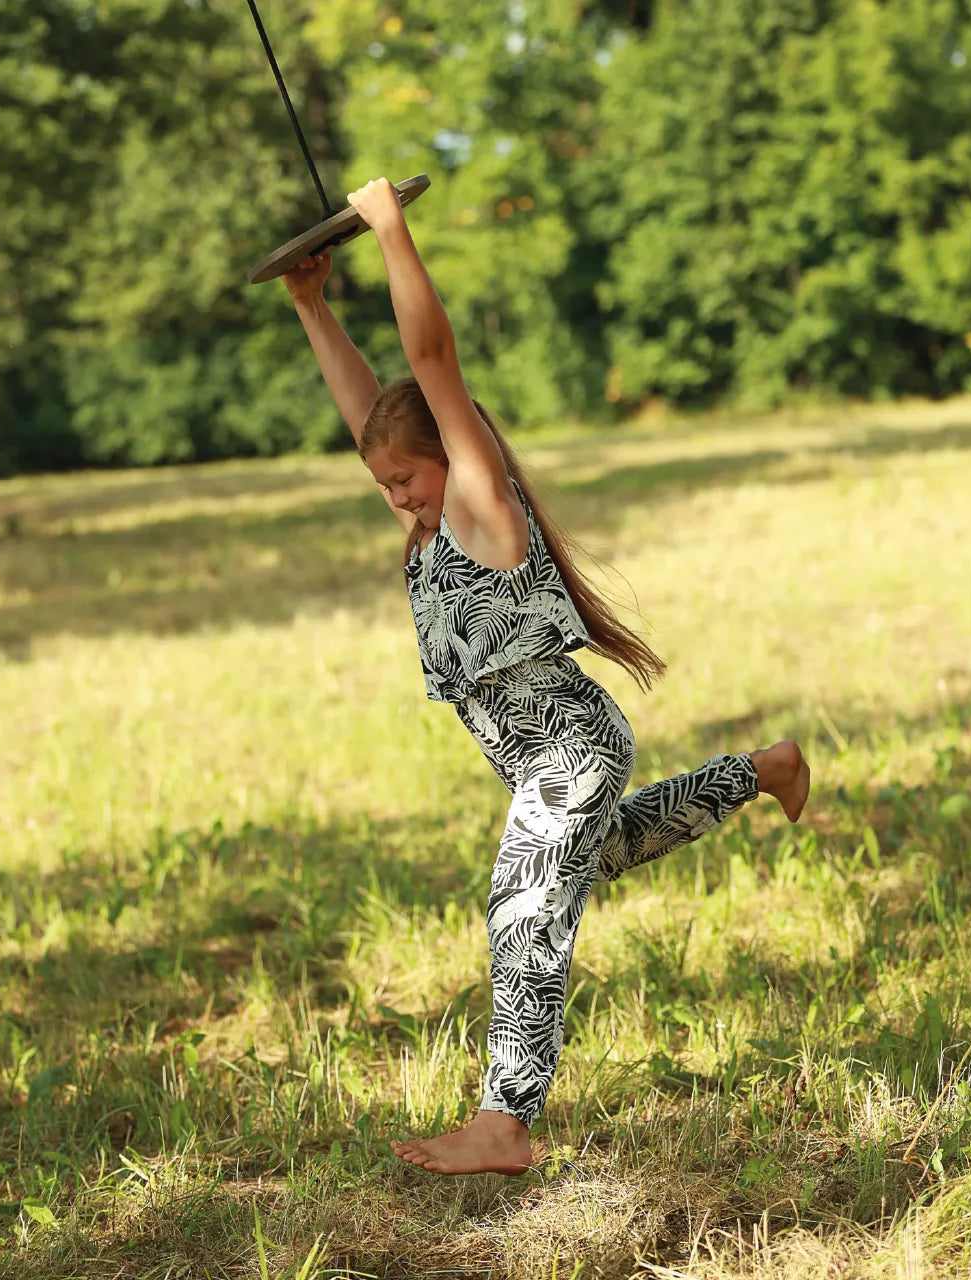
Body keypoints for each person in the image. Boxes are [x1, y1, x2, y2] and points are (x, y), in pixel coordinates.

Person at [283, 177, 810, 1177]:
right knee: (600, 853)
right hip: (548, 757)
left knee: (524, 901)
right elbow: (373, 413)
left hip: (566, 745)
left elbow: (430, 364)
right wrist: (312, 306)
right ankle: (761, 769)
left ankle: (505, 1119)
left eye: (406, 478)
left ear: (455, 455)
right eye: (383, 484)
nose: (396, 497)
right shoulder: (427, 519)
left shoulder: (479, 505)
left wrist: (389, 232)